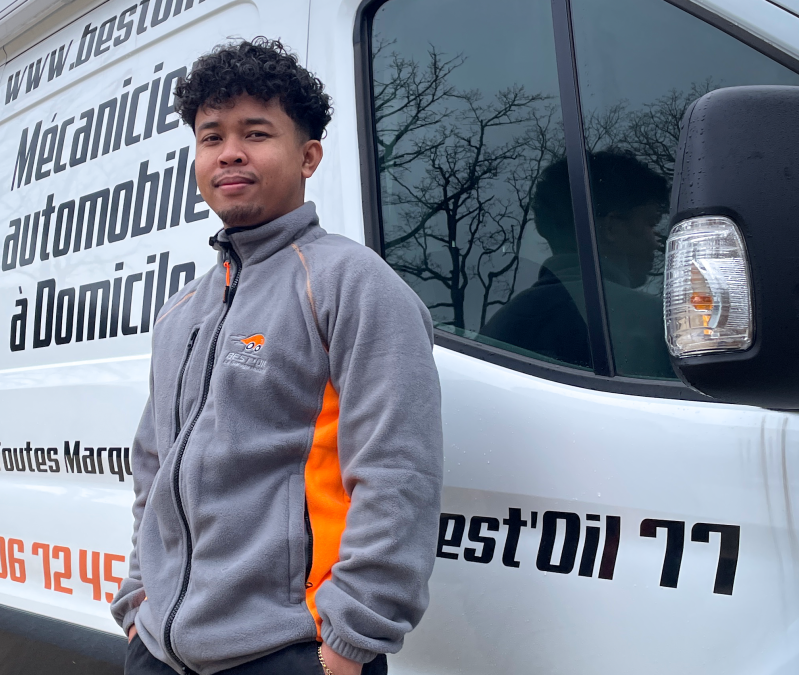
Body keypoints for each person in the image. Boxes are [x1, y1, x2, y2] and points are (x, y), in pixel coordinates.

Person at [109, 38, 444, 675]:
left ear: (308, 155)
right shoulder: (182, 312)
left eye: (256, 132)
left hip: (291, 652)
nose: (229, 152)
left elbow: (400, 472)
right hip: (161, 651)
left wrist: (349, 642)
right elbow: (153, 471)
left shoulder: (352, 284)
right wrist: (139, 602)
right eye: (211, 137)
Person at [483, 150, 673, 377]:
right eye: (650, 223)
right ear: (611, 227)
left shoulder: (498, 328)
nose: (656, 240)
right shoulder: (653, 322)